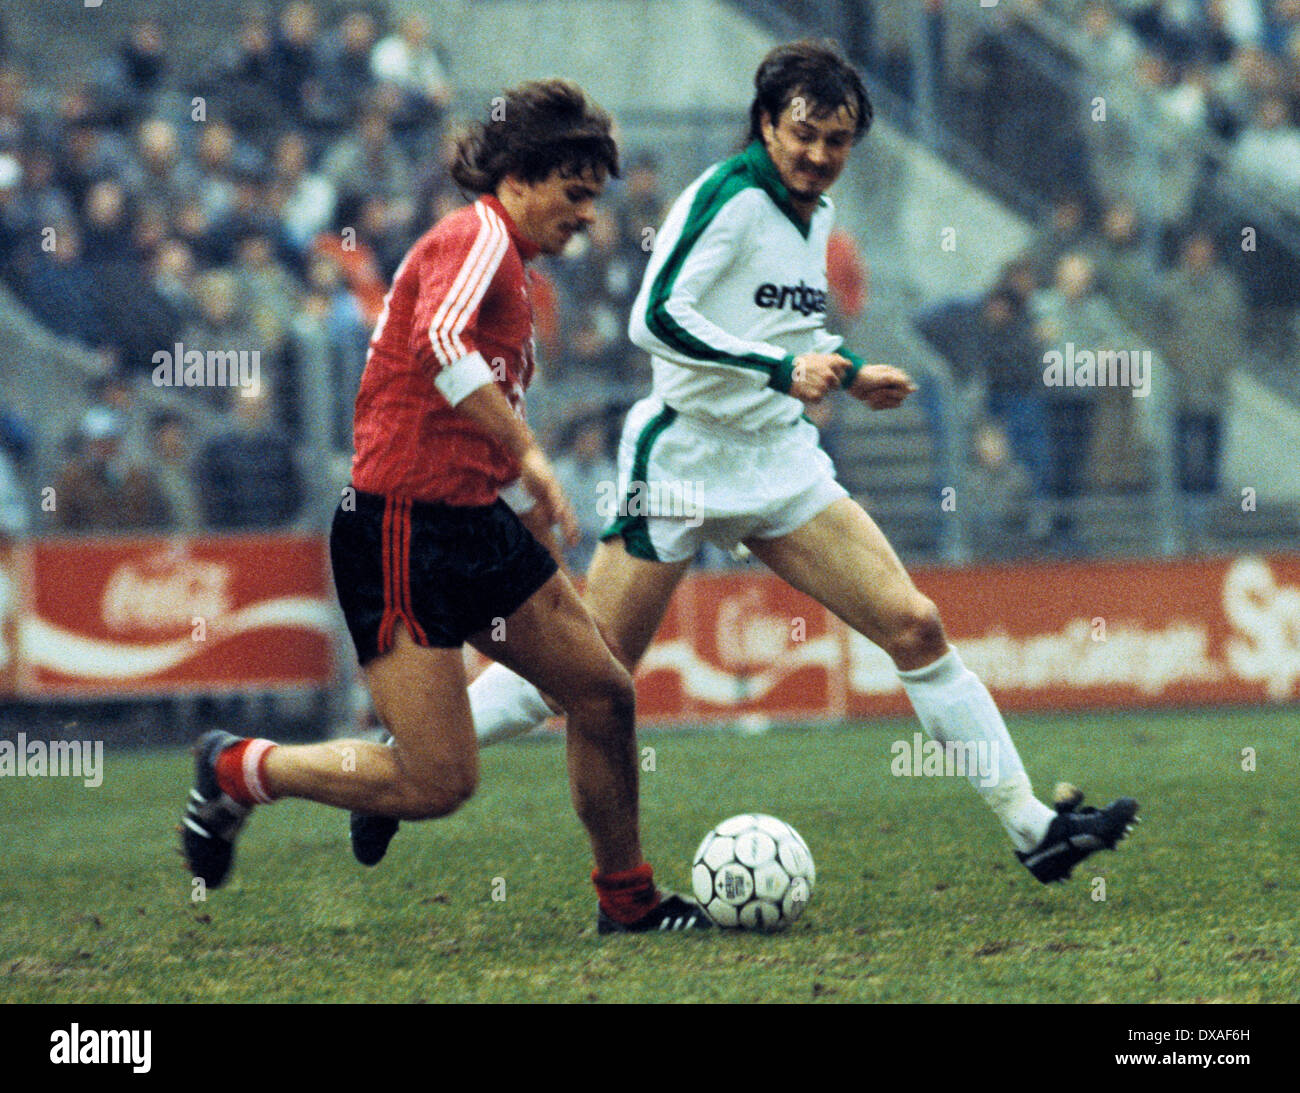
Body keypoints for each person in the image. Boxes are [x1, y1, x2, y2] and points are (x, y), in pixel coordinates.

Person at [462, 40, 1140, 885]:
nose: (820, 154)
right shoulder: (728, 197)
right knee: (583, 679)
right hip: (684, 457)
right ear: (766, 125)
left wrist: (850, 371)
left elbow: (788, 332)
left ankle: (1032, 825)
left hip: (780, 460)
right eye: (805, 134)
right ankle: (406, 760)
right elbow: (654, 318)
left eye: (837, 139)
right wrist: (782, 370)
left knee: (916, 626)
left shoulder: (814, 217)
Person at [179, 79, 709, 933]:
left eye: (595, 200)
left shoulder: (515, 272)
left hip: (476, 527)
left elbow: (474, 414)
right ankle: (241, 768)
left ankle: (629, 902)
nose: (587, 217)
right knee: (440, 783)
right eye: (576, 195)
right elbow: (441, 347)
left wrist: (528, 507)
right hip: (399, 532)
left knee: (605, 693)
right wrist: (534, 456)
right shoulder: (476, 237)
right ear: (523, 177)